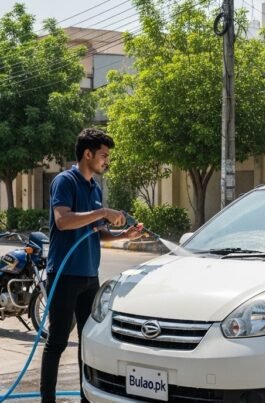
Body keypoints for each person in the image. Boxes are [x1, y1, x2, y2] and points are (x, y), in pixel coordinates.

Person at [40, 128, 142, 403]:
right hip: (64, 273)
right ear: (88, 154)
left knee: (88, 341)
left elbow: (96, 231)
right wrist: (103, 212)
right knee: (57, 342)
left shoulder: (94, 187)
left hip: (88, 276)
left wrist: (124, 235)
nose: (107, 161)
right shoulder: (65, 181)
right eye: (104, 155)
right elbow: (63, 221)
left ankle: (87, 398)